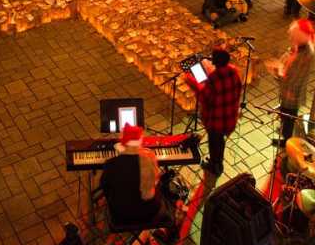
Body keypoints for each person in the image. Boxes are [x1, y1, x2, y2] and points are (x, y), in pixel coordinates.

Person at [100, 123, 175, 229]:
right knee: (161, 188)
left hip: (121, 216)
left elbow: (105, 188)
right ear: (140, 144)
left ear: (123, 144)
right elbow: (156, 181)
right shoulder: (149, 159)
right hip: (150, 213)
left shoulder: (110, 164)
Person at [187, 48, 242, 176]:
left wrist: (193, 83)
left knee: (214, 143)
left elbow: (205, 98)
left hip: (217, 120)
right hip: (229, 116)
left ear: (215, 62)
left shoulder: (214, 77)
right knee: (220, 141)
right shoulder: (234, 72)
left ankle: (215, 166)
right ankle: (218, 163)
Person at [267, 19, 315, 145]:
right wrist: (278, 66)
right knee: (285, 113)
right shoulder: (299, 46)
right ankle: (285, 131)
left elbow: (297, 78)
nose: (290, 39)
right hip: (288, 90)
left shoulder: (307, 54)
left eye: (293, 36)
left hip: (293, 93)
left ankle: (287, 140)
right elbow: (288, 58)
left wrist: (280, 74)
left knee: (289, 116)